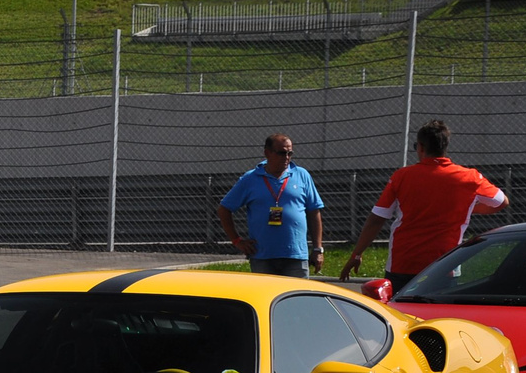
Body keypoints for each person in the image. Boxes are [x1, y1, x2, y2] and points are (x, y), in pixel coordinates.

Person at [339, 120, 508, 291]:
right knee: (438, 316)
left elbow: (377, 219)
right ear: (445, 146)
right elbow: (501, 202)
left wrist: (357, 254)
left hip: (403, 264)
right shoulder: (470, 177)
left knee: (401, 314)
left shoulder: (402, 176)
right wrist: (468, 208)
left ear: (420, 147)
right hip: (445, 265)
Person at [218, 133, 325, 277]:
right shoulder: (250, 179)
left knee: (296, 297)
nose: (286, 157)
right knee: (266, 298)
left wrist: (318, 249)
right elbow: (224, 209)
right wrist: (237, 240)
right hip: (263, 256)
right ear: (267, 153)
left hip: (295, 256)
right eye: (282, 153)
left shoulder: (301, 175)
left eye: (290, 153)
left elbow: (314, 212)